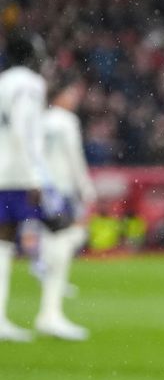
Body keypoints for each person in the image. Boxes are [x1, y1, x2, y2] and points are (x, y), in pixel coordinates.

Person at [35, 76, 95, 340]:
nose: (73, 98)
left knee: (54, 240)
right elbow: (75, 157)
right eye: (70, 92)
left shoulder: (41, 119)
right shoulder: (67, 122)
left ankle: (41, 264)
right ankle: (51, 313)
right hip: (61, 189)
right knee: (65, 242)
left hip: (39, 187)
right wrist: (86, 187)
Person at [0, 33, 48, 342]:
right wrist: (35, 176)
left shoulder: (3, 80)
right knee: (4, 241)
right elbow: (24, 129)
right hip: (14, 171)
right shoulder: (30, 84)